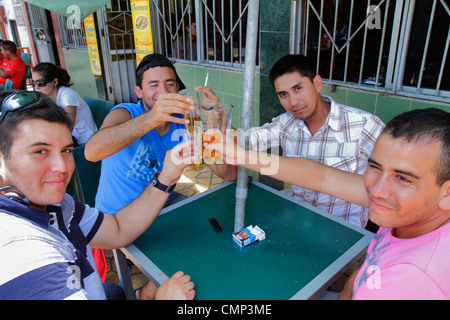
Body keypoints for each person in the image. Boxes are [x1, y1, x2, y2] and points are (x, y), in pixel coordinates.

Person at [209, 107, 450, 299]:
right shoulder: (410, 213)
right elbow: (322, 177)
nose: (376, 191)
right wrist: (241, 157)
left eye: (403, 178)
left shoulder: (407, 282)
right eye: (374, 166)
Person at [0, 90, 196, 300]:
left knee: (112, 291)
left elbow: (118, 228)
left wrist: (165, 177)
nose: (62, 167)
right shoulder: (26, 258)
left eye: (66, 150)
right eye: (40, 151)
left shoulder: (59, 204)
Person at [85, 53, 236, 215]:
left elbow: (228, 174)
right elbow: (91, 152)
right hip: (116, 217)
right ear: (139, 91)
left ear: (177, 88)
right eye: (153, 85)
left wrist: (213, 122)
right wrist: (152, 118)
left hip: (163, 207)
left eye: (169, 84)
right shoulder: (126, 113)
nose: (163, 92)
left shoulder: (186, 119)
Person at [248, 54, 385, 227]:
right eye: (283, 94)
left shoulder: (364, 125)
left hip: (347, 233)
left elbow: (393, 180)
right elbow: (244, 142)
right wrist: (216, 114)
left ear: (317, 84)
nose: (293, 102)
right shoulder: (284, 124)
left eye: (298, 88)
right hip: (301, 224)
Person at [31, 62, 98, 146]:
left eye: (40, 83)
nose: (36, 87)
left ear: (54, 82)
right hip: (71, 139)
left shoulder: (67, 95)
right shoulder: (49, 97)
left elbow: (68, 127)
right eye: (34, 82)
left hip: (85, 143)